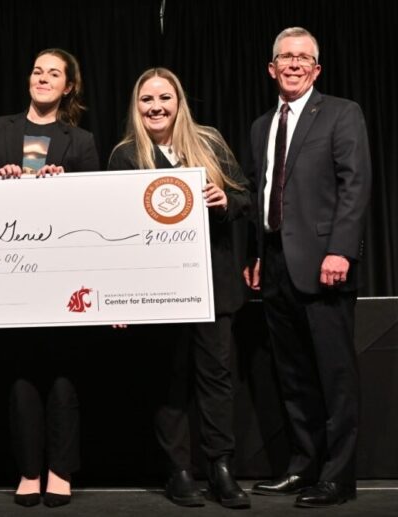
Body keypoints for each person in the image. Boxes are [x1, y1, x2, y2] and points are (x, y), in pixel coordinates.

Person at [108, 67, 251, 509]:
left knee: (216, 379)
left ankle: (221, 468)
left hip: (213, 284)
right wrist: (117, 293)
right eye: (147, 100)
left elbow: (245, 197)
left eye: (164, 98)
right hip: (159, 290)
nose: (156, 107)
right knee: (168, 381)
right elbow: (113, 227)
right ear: (137, 106)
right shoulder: (125, 155)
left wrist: (226, 201)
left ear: (178, 101)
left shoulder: (208, 142)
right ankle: (179, 471)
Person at [243, 27, 371, 508]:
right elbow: (261, 194)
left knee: (334, 376)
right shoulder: (261, 126)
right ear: (272, 68)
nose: (294, 64)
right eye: (285, 57)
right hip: (275, 265)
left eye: (303, 58)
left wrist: (341, 250)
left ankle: (337, 478)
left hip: (324, 264)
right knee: (293, 375)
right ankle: (303, 467)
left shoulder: (341, 113)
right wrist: (255, 255)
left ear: (316, 69)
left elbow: (354, 184)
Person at [0, 48, 99, 507]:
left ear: (68, 87)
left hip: (62, 273)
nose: (42, 78)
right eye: (36, 71)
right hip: (10, 273)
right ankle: (28, 469)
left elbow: (92, 208)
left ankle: (59, 469)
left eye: (54, 74)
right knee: (21, 371)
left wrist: (63, 183)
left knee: (64, 372)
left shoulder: (81, 141)